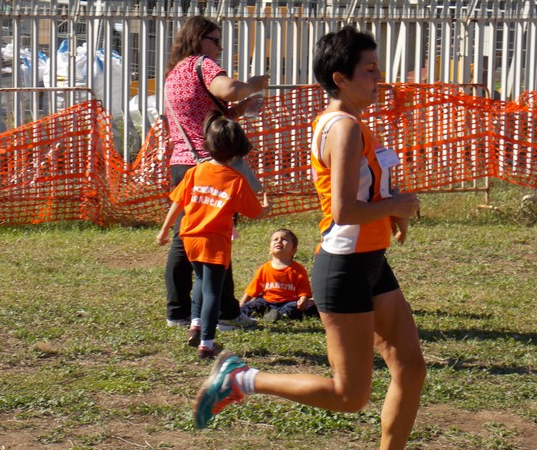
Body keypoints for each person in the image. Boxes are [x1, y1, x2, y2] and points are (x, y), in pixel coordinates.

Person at [193, 25, 426, 449]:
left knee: (411, 368)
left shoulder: (346, 123)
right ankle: (241, 379)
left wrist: (392, 206)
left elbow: (362, 193)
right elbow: (343, 211)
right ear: (340, 77)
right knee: (349, 395)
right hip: (346, 268)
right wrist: (396, 206)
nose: (379, 79)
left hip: (371, 261)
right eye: (370, 70)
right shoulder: (344, 128)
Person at [163, 16, 270, 330]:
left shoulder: (174, 74)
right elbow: (231, 88)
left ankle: (178, 311)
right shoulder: (202, 65)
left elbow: (202, 114)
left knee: (184, 238)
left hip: (183, 162)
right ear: (199, 38)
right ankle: (223, 312)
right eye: (215, 39)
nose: (220, 47)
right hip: (212, 165)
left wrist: (236, 111)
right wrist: (255, 84)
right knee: (219, 235)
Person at [157, 111, 272, 359]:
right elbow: (255, 213)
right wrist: (266, 208)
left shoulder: (195, 172)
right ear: (238, 150)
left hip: (189, 236)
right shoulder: (236, 180)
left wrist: (165, 229)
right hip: (214, 242)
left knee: (200, 280)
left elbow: (177, 203)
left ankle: (196, 324)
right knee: (212, 291)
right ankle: (207, 344)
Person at [239, 228, 318, 322]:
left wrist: (303, 299)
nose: (279, 241)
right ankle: (239, 313)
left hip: (288, 301)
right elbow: (252, 290)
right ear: (270, 250)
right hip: (266, 300)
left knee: (293, 308)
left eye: (284, 239)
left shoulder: (298, 269)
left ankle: (280, 316)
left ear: (293, 250)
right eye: (275, 239)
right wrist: (242, 304)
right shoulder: (264, 268)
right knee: (253, 305)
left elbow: (304, 289)